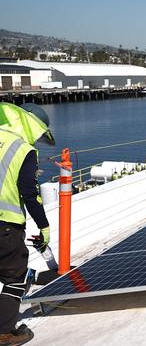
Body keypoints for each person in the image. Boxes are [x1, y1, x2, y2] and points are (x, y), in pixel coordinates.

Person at [0, 103, 55, 345]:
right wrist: (44, 227)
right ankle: (4, 332)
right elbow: (28, 194)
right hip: (5, 225)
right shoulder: (23, 149)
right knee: (15, 278)